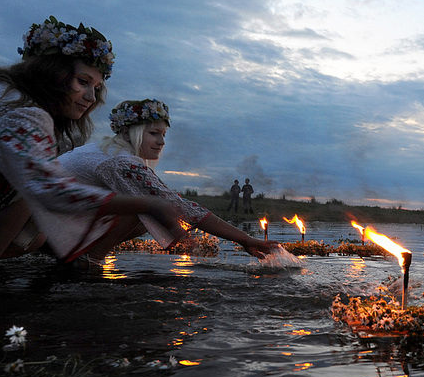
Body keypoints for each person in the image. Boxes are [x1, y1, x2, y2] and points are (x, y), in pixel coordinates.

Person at [0, 17, 185, 292]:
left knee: (29, 219)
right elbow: (49, 189)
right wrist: (150, 205)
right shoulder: (20, 112)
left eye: (96, 88)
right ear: (50, 72)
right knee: (25, 189)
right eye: (83, 82)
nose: (91, 98)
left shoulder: (4, 94)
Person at [59, 99, 279, 263]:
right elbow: (180, 205)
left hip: (59, 213)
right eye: (154, 133)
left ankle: (87, 254)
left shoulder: (107, 150)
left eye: (163, 135)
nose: (162, 142)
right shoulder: (119, 161)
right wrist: (246, 240)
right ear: (127, 132)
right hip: (47, 219)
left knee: (144, 210)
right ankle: (89, 260)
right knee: (143, 209)